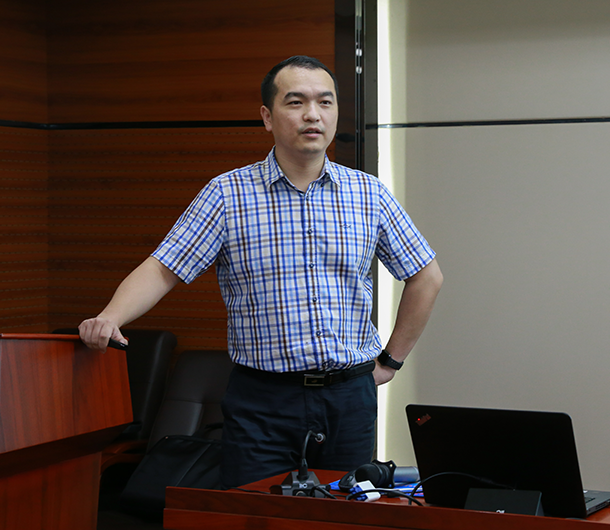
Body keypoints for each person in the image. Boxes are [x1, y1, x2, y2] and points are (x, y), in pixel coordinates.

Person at [78, 55, 443, 488]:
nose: (312, 114)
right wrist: (111, 316)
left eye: (325, 102)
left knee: (344, 513)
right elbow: (163, 268)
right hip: (261, 401)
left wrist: (391, 361)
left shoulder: (370, 194)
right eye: (296, 102)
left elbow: (426, 276)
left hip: (349, 399)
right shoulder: (227, 193)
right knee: (256, 512)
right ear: (267, 117)